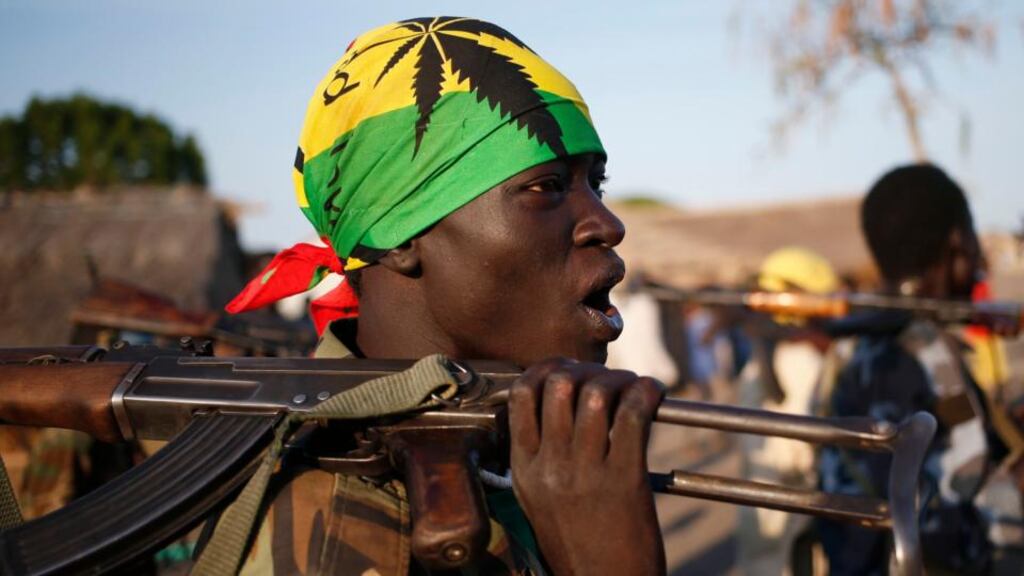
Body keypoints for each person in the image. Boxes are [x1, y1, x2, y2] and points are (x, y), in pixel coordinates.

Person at [220, 17, 666, 575]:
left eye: (594, 185)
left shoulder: (496, 441)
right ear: (401, 234)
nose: (606, 223)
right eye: (546, 187)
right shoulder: (341, 531)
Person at [817, 164, 1008, 575]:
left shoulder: (851, 342)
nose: (978, 253)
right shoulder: (918, 350)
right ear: (956, 240)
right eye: (973, 233)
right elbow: (952, 525)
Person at [734, 246, 842, 575]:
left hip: (762, 501)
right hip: (793, 499)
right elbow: (803, 451)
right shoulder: (804, 362)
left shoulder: (762, 359)